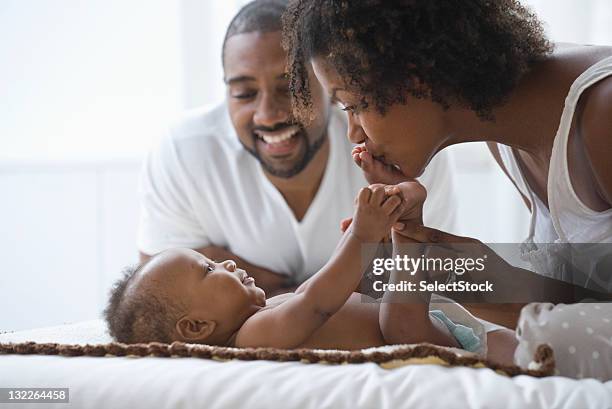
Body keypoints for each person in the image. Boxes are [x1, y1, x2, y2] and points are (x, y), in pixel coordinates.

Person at [282, 0, 612, 378]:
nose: (354, 133)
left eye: (354, 105)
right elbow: (581, 293)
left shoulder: (604, 114)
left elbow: (567, 319)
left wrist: (511, 292)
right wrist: (473, 273)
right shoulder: (504, 130)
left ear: (415, 73)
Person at [137, 0, 458, 296]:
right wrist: (361, 273)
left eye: (291, 87)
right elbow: (163, 294)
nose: (268, 114)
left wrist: (237, 275)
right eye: (244, 93)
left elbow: (451, 281)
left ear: (329, 83)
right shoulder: (182, 152)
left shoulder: (402, 147)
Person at [108, 186, 517, 365]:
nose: (226, 264)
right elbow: (315, 302)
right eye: (208, 269)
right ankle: (405, 242)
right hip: (410, 334)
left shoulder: (263, 314)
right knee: (402, 325)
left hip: (430, 322)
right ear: (197, 326)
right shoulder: (251, 339)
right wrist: (360, 235)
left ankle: (403, 241)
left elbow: (314, 289)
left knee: (525, 344)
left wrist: (352, 254)